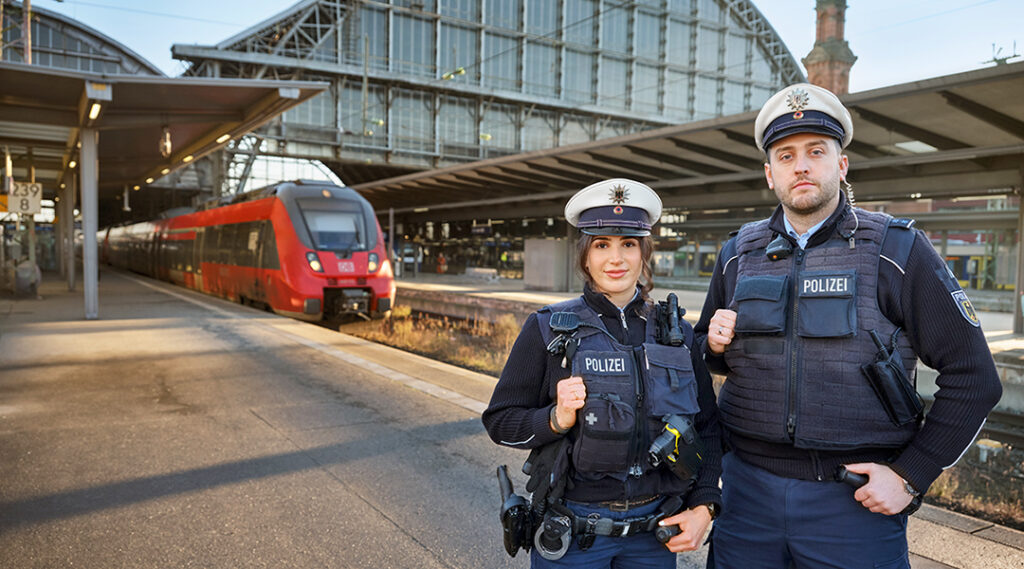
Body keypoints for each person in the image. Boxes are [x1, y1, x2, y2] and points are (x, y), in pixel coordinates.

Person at [696, 83, 1003, 568]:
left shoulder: (897, 251)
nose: (801, 165)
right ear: (770, 174)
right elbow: (701, 358)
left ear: (840, 165)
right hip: (746, 496)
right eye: (786, 155)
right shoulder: (738, 254)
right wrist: (711, 346)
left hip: (853, 503)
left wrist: (910, 476)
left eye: (816, 152)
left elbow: (974, 377)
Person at [482, 178, 722, 568]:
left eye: (628, 244)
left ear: (645, 253)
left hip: (654, 537)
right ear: (585, 256)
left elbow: (709, 427)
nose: (616, 258)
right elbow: (500, 421)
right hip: (574, 539)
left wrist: (705, 504)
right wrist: (554, 420)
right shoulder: (547, 328)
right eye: (602, 244)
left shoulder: (675, 334)